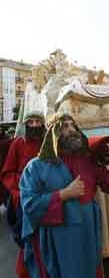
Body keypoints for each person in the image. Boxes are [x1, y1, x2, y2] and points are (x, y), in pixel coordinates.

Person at [19, 113, 109, 278]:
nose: (72, 130)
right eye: (65, 126)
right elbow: (29, 204)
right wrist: (63, 195)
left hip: (88, 230)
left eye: (73, 125)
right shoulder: (35, 166)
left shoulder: (87, 159)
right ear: (53, 133)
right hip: (59, 237)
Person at [0, 111, 45, 278]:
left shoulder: (48, 143)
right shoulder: (18, 143)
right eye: (31, 121)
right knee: (25, 240)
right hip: (22, 198)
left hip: (43, 198)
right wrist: (16, 193)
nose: (34, 125)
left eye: (37, 121)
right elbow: (7, 172)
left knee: (43, 240)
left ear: (43, 124)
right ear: (25, 124)